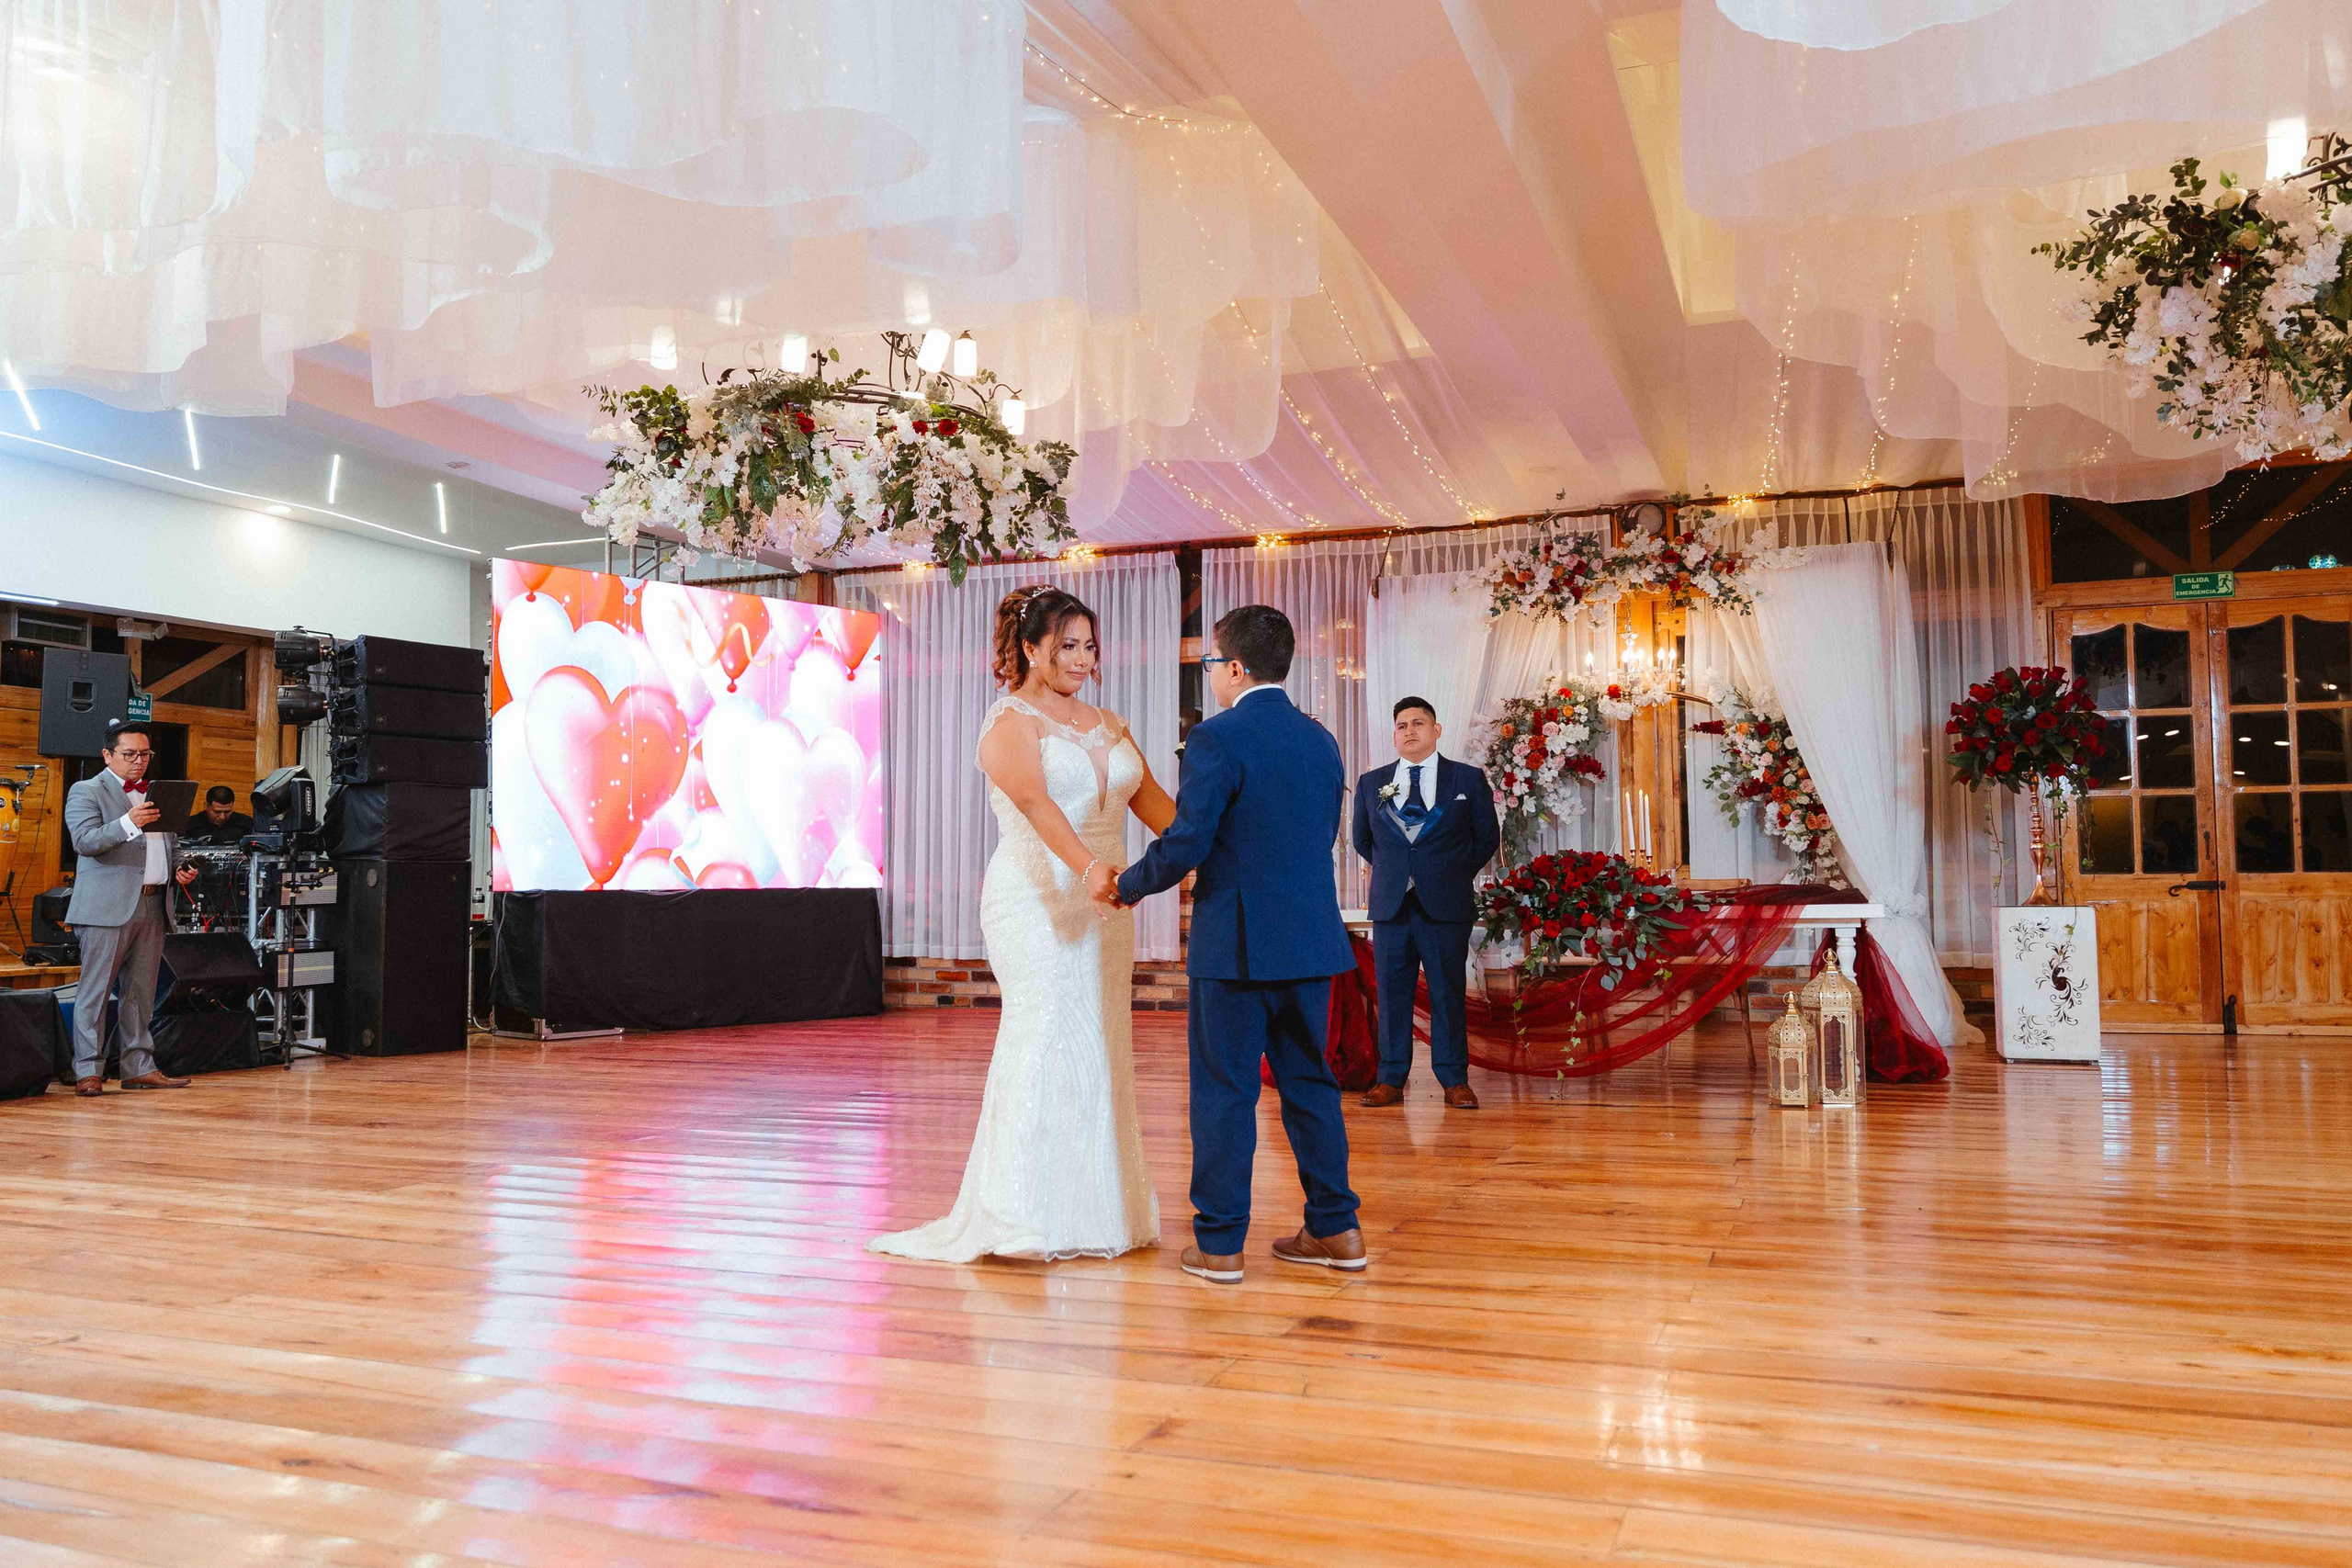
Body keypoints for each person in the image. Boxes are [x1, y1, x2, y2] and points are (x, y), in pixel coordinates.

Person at [868, 585, 1178, 1263]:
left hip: (1110, 905)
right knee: (1043, 1033)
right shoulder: (1008, 721)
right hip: (1037, 899)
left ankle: (1101, 1210)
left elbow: (1159, 809)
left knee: (1101, 1036)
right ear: (1032, 648)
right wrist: (1091, 868)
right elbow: (1037, 806)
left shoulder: (1111, 723)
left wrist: (1207, 852)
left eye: (1090, 646)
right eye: (1068, 645)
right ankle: (1019, 1214)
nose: (1082, 658)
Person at [1108, 605, 1365, 1285]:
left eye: (1210, 664)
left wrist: (1129, 885)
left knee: (1224, 1093)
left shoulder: (1216, 739)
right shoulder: (1322, 740)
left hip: (1237, 945)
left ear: (1236, 667)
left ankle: (1220, 1245)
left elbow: (1189, 841)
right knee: (1311, 1084)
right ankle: (1337, 1230)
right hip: (1311, 940)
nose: (1210, 676)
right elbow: (1319, 837)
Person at [1352, 695, 1500, 1110]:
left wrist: (1452, 872)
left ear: (1436, 731)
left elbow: (1487, 837)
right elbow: (1364, 840)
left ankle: (1455, 1080)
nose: (1410, 730)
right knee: (1393, 994)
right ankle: (1390, 1079)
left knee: (1447, 994)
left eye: (1419, 723)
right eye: (1402, 725)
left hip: (1445, 905)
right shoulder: (1371, 782)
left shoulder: (1467, 780)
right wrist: (1398, 872)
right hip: (1391, 906)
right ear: (1394, 736)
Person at [62, 720, 199, 1097]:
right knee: (95, 991)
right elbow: (85, 841)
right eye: (130, 755)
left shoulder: (157, 793)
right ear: (108, 755)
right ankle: (88, 1071)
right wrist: (127, 822)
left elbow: (170, 846)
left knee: (141, 993)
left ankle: (138, 1066)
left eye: (145, 754)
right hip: (106, 907)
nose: (139, 762)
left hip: (154, 902)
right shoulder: (86, 790)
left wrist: (180, 868)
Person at [180, 784, 254, 846]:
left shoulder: (246, 823)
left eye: (228, 812)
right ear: (206, 806)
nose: (222, 817)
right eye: (217, 812)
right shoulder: (190, 824)